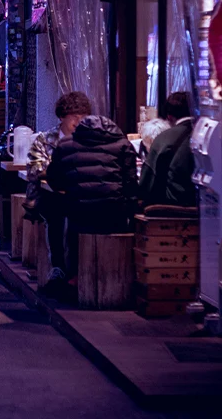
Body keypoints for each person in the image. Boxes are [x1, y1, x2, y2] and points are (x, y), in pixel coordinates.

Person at [46, 115, 138, 282]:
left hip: (78, 211)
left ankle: (67, 273)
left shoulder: (65, 144)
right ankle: (115, 279)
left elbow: (54, 180)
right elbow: (131, 184)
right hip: (114, 211)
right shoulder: (124, 145)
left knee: (57, 211)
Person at [25, 92, 92, 296]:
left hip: (80, 195)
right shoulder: (45, 140)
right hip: (47, 195)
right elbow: (35, 170)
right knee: (57, 212)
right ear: (62, 116)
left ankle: (78, 272)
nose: (79, 122)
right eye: (74, 117)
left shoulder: (90, 138)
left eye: (83, 117)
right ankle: (59, 268)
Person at [138, 92, 196, 207]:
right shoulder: (211, 134)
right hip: (211, 209)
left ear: (169, 116)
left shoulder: (163, 138)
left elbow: (147, 184)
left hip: (173, 208)